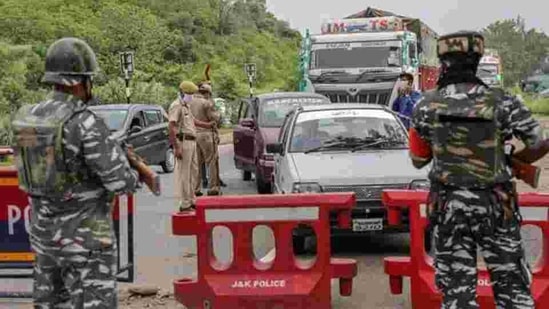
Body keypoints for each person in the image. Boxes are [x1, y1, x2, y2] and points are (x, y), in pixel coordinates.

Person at [409, 30, 542, 308]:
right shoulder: (504, 101)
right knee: (513, 290)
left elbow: (418, 160)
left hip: (448, 209)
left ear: (443, 61)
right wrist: (511, 160)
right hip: (496, 206)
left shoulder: (425, 105)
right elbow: (538, 142)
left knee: (456, 294)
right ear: (477, 60)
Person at [11, 37, 140, 308]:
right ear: (81, 82)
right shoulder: (84, 122)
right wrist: (133, 170)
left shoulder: (27, 118)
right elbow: (121, 182)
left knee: (51, 303)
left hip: (45, 238)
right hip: (85, 243)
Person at [168, 81, 214, 211]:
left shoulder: (186, 105)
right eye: (189, 94)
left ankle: (192, 198)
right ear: (182, 92)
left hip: (192, 141)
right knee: (185, 174)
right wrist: (176, 147)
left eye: (193, 94)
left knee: (194, 172)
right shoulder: (176, 106)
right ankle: (185, 203)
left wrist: (208, 125)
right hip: (183, 142)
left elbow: (193, 121)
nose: (192, 96)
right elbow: (171, 126)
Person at [190, 82, 221, 196]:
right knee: (212, 161)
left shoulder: (189, 102)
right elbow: (214, 118)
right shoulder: (207, 103)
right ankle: (213, 187)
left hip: (193, 134)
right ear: (207, 93)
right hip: (206, 134)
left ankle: (196, 188)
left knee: (196, 163)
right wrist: (217, 112)